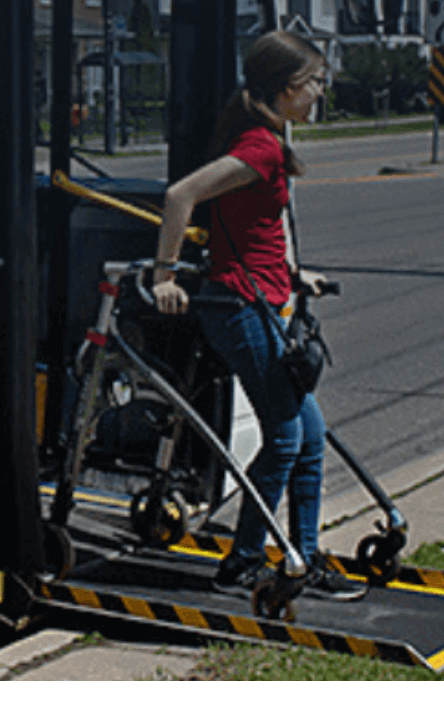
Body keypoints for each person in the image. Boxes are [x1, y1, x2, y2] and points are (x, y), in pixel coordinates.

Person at [151, 30, 367, 602]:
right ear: (286, 87)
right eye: (315, 82)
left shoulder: (267, 138)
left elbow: (258, 230)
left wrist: (297, 276)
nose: (320, 92)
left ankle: (305, 553)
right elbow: (181, 195)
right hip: (242, 309)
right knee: (287, 437)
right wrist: (164, 274)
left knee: (310, 436)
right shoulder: (260, 147)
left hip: (266, 299)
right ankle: (245, 560)